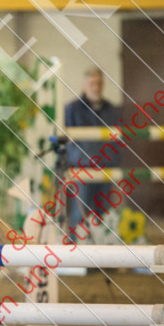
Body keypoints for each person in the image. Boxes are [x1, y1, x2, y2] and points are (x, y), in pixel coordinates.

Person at [64, 67, 121, 232]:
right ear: (84, 85)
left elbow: (117, 140)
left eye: (99, 83)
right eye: (92, 83)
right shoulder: (72, 109)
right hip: (83, 170)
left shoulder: (112, 110)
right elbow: (69, 141)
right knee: (80, 214)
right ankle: (75, 254)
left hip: (106, 169)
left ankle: (103, 255)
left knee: (105, 215)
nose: (95, 87)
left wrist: (113, 162)